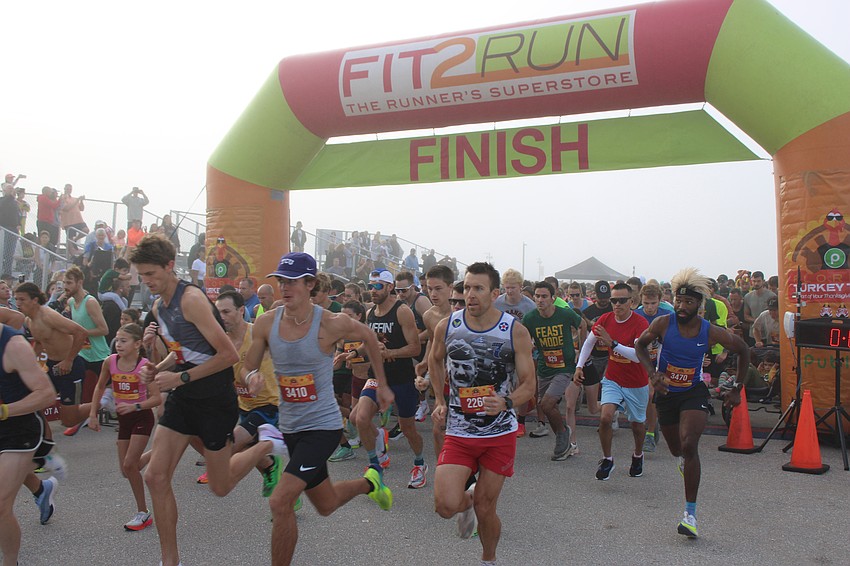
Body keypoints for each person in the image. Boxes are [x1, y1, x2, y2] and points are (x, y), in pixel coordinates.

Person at [130, 235, 283, 566]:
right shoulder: (159, 306)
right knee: (155, 476)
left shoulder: (192, 300)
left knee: (221, 486)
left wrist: (180, 377)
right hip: (184, 399)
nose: (146, 282)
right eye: (142, 276)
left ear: (170, 266)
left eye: (151, 275)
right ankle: (170, 560)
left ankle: (265, 444)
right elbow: (182, 353)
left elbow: (228, 355)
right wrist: (158, 368)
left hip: (215, 399)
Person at [244, 252, 394, 566]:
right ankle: (371, 482)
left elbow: (367, 335)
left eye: (294, 281)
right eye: (282, 281)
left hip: (323, 427)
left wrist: (381, 383)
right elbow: (249, 366)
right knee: (326, 504)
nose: (285, 288)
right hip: (291, 426)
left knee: (280, 500)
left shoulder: (330, 323)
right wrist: (252, 377)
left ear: (310, 284)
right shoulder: (266, 323)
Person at [429, 262, 536, 565]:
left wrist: (506, 402)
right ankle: (467, 499)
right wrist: (439, 399)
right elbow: (435, 360)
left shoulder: (514, 331)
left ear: (495, 293)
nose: (470, 294)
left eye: (478, 288)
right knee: (445, 506)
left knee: (485, 509)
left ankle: (489, 558)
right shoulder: (448, 326)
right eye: (466, 288)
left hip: (499, 433)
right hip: (459, 432)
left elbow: (529, 384)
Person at [635, 268, 749, 538]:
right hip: (666, 394)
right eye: (678, 301)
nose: (682, 306)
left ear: (700, 304)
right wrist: (652, 373)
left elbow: (744, 349)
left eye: (688, 302)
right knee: (677, 449)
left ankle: (690, 514)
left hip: (694, 392)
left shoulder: (710, 331)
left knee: (689, 444)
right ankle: (682, 460)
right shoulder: (663, 324)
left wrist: (737, 388)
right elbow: (641, 346)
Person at [194, 290, 282, 498]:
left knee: (233, 444)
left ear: (241, 310)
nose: (221, 317)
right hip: (243, 405)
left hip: (270, 404)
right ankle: (273, 472)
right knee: (251, 453)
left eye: (226, 311)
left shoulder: (258, 335)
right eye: (218, 312)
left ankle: (223, 474)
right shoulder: (219, 343)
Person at [352, 269, 428, 488]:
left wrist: (390, 353)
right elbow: (369, 342)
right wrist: (354, 353)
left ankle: (420, 463)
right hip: (376, 376)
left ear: (389, 287)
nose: (372, 291)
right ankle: (376, 463)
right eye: (370, 286)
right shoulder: (370, 313)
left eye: (377, 287)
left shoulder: (402, 311)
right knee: (360, 418)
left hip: (402, 378)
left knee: (407, 429)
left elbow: (415, 348)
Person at [89, 323, 161, 531]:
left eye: (123, 341)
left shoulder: (145, 366)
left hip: (141, 417)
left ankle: (143, 513)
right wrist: (93, 414)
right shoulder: (109, 362)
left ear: (137, 344)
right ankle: (155, 453)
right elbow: (99, 386)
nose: (118, 344)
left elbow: (156, 399)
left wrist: (135, 406)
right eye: (117, 340)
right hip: (124, 419)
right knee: (126, 470)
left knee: (130, 466)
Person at [575, 282, 649, 481]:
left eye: (622, 301)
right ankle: (607, 459)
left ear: (632, 302)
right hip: (613, 379)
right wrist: (579, 367)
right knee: (606, 417)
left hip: (636, 382)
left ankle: (638, 455)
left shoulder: (641, 324)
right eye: (614, 300)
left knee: (637, 424)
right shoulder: (606, 319)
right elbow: (589, 343)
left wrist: (612, 343)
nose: (617, 304)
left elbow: (637, 356)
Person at [0, 320, 58, 565]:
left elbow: (46, 394)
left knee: (0, 505)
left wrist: (3, 411)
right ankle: (42, 490)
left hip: (18, 432)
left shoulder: (13, 345)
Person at [522, 281, 585, 459]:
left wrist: (581, 351)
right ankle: (564, 433)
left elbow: (583, 325)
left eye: (544, 296)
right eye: (537, 296)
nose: (540, 300)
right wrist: (530, 346)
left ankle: (562, 436)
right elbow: (523, 337)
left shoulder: (565, 314)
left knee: (548, 403)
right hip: (544, 367)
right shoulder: (530, 318)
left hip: (565, 367)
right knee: (545, 405)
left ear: (553, 298)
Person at [15, 282, 90, 429]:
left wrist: (69, 360)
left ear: (34, 300)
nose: (17, 303)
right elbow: (39, 343)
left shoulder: (49, 316)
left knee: (69, 421)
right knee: (35, 404)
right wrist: (28, 365)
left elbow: (81, 333)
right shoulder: (29, 320)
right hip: (52, 366)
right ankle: (46, 444)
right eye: (16, 299)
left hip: (70, 367)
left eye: (22, 299)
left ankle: (105, 402)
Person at [62, 265, 111, 435]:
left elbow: (104, 329)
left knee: (114, 390)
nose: (65, 286)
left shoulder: (90, 302)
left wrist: (82, 333)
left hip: (99, 354)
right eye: (64, 283)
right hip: (82, 353)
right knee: (77, 387)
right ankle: (77, 420)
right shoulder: (70, 301)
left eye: (69, 283)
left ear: (80, 282)